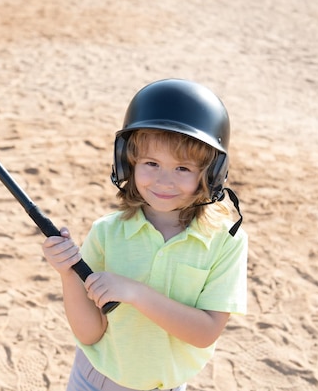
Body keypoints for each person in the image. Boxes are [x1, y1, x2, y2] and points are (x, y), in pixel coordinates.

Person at [42, 79, 247, 391]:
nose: (164, 181)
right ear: (128, 162)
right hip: (94, 380)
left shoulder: (226, 242)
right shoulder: (107, 232)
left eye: (183, 169)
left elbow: (205, 332)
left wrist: (135, 293)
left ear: (211, 174)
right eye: (151, 163)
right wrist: (68, 273)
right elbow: (89, 334)